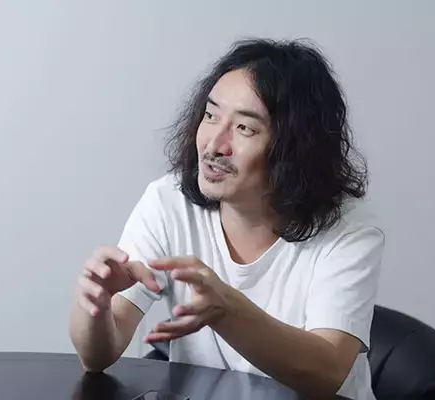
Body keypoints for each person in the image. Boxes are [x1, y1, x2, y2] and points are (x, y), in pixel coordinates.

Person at [69, 38, 384, 400]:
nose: (215, 145)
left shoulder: (350, 227)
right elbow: (98, 357)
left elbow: (327, 373)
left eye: (245, 128)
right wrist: (95, 307)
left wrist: (228, 311)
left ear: (296, 147)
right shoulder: (169, 202)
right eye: (211, 115)